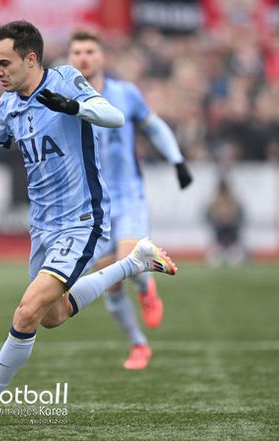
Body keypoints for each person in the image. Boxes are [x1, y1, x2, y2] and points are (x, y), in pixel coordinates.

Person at [0, 20, 177, 429]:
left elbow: (113, 116)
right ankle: (134, 263)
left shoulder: (65, 79)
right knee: (52, 315)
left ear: (30, 59)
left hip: (82, 220)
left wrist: (74, 107)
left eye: (4, 63)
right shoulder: (8, 104)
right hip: (42, 226)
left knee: (26, 313)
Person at [67, 30, 193, 369]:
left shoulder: (125, 93)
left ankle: (146, 287)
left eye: (90, 50)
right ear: (70, 58)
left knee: (126, 260)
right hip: (91, 203)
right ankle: (138, 345)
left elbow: (154, 126)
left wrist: (177, 160)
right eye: (77, 52)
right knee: (109, 281)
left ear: (101, 56)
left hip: (128, 195)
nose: (83, 57)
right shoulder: (64, 100)